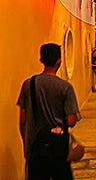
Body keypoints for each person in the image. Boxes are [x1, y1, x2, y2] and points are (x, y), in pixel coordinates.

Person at [17, 43, 81, 180]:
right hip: (58, 148)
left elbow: (22, 121)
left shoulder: (28, 84)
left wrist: (27, 144)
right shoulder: (65, 87)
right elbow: (71, 121)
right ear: (59, 61)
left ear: (41, 60)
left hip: (35, 148)